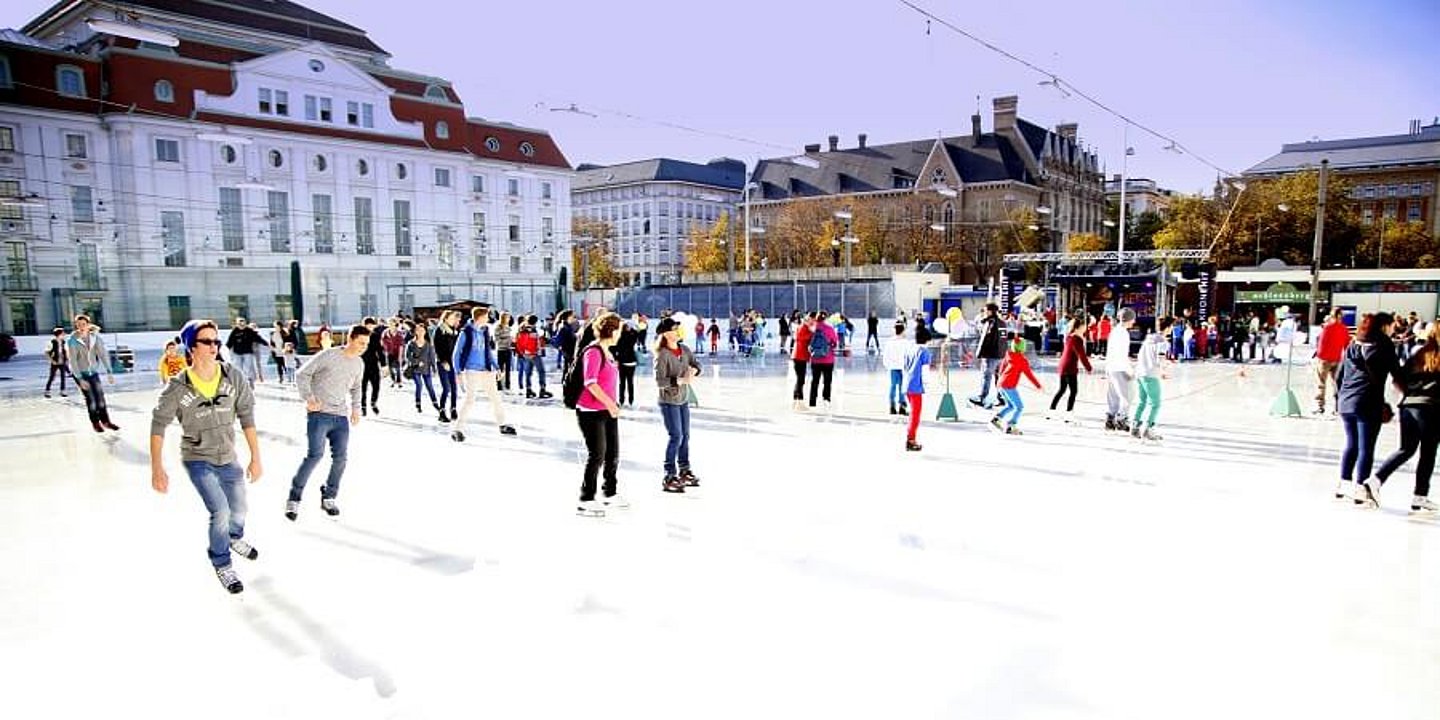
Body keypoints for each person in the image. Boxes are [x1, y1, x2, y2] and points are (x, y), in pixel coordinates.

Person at [149, 319, 262, 594]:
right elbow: (158, 425)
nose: (214, 347)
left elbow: (247, 416)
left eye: (216, 341)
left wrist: (255, 457)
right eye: (206, 342)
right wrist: (157, 468)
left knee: (239, 509)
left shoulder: (232, 376)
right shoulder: (177, 387)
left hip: (228, 455)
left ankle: (234, 538)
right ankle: (222, 563)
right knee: (220, 511)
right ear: (191, 347)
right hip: (197, 457)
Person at [287, 323, 368, 521]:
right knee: (315, 456)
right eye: (360, 343)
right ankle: (294, 498)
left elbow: (357, 388)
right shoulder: (329, 355)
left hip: (340, 417)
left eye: (366, 344)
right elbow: (302, 374)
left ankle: (329, 496)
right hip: (319, 414)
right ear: (350, 339)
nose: (363, 347)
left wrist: (356, 408)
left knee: (341, 458)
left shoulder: (359, 363)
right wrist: (309, 398)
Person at [1370, 323, 1440, 513]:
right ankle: (1420, 496)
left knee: (1406, 449)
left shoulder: (1418, 354)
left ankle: (1375, 481)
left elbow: (1397, 379)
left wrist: (1409, 394)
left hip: (1408, 406)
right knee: (1428, 452)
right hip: (1431, 409)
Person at [1337, 312, 1402, 506]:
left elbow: (1340, 374)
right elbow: (1397, 374)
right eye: (1391, 326)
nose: (1393, 330)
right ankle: (1360, 488)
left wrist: (1338, 398)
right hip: (1368, 402)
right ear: (1384, 327)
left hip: (1346, 401)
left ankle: (1343, 483)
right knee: (1366, 447)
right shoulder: (1384, 344)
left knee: (1351, 444)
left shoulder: (1353, 344)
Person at [575, 312, 625, 517]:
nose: (620, 334)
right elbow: (590, 383)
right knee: (597, 454)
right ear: (612, 330)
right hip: (591, 410)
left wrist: (613, 404)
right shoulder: (594, 351)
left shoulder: (608, 351)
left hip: (607, 409)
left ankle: (609, 492)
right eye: (619, 330)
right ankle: (586, 498)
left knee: (612, 453)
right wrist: (609, 403)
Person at [452, 306, 517, 441]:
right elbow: (456, 354)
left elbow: (487, 352)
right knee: (469, 400)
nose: (488, 318)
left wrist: (496, 367)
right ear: (480, 317)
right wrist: (458, 372)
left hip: (486, 371)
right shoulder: (466, 333)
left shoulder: (484, 331)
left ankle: (502, 424)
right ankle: (458, 429)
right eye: (486, 316)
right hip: (472, 371)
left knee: (495, 398)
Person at [654, 317, 702, 493]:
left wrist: (694, 370)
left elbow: (697, 364)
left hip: (683, 400)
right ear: (666, 333)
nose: (678, 332)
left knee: (685, 435)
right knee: (676, 436)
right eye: (674, 329)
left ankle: (684, 469)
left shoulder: (684, 350)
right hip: (669, 401)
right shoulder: (663, 354)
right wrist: (680, 380)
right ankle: (669, 475)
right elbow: (660, 381)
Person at [66, 314, 118, 433]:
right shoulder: (72, 340)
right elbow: (72, 361)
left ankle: (106, 421)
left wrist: (109, 372)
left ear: (88, 325)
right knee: (91, 399)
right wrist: (80, 379)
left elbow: (103, 355)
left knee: (100, 398)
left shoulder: (95, 338)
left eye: (83, 324)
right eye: (78, 325)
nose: (81, 327)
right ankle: (95, 423)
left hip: (93, 372)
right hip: (80, 373)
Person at [990, 337, 1043, 435]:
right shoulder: (1022, 360)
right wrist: (1038, 386)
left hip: (1001, 384)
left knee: (1010, 406)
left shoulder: (1008, 355)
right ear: (1023, 348)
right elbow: (1029, 375)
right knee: (1019, 407)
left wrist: (1001, 378)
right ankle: (1011, 426)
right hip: (1008, 386)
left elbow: (1002, 368)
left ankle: (996, 419)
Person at [1132, 316, 1172, 441]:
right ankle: (1148, 428)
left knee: (1142, 401)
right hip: (1151, 374)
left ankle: (1134, 426)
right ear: (1168, 327)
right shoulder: (1163, 342)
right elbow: (1160, 358)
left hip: (1140, 373)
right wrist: (1163, 371)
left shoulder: (1148, 339)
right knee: (1155, 404)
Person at [1049, 312, 1092, 421]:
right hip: (1069, 367)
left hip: (1063, 365)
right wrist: (1088, 368)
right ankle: (1068, 414)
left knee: (1062, 389)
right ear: (1080, 327)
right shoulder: (1076, 339)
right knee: (1073, 391)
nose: (1086, 329)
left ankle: (1051, 410)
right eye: (1085, 327)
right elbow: (1082, 355)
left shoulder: (1070, 336)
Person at [1104, 308, 1137, 433]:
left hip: (1111, 367)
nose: (1134, 321)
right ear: (1129, 319)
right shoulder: (1123, 333)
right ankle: (1122, 419)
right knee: (1127, 396)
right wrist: (1129, 370)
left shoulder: (1115, 331)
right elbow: (1121, 354)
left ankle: (1110, 419)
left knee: (1113, 396)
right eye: (1133, 319)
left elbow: (1110, 351)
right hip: (1120, 368)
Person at [901, 324, 933, 451]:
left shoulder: (910, 349)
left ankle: (911, 438)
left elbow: (905, 366)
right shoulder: (924, 352)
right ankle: (911, 439)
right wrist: (927, 385)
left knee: (913, 413)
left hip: (907, 384)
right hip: (916, 386)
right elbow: (925, 371)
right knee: (915, 414)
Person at [1314, 307, 1351, 415]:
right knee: (1336, 383)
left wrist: (1319, 356)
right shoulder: (1344, 328)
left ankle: (1320, 406)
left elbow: (1322, 343)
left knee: (1321, 383)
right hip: (1337, 359)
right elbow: (1347, 344)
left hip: (1325, 360)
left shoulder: (1327, 328)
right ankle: (1337, 407)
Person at [968, 303, 1005, 409]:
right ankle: (1002, 397)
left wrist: (979, 354)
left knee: (986, 376)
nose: (983, 313)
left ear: (989, 311)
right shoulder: (1002, 323)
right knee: (999, 377)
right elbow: (1004, 340)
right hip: (1000, 355)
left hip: (990, 354)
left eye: (985, 311)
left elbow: (985, 339)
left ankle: (982, 397)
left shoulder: (990, 323)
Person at [404, 324, 439, 414]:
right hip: (415, 369)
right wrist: (416, 362)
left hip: (426, 369)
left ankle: (435, 403)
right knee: (419, 385)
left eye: (422, 330)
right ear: (415, 332)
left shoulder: (428, 344)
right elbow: (407, 357)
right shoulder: (411, 343)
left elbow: (432, 357)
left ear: (425, 332)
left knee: (430, 386)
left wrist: (434, 368)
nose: (420, 332)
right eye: (418, 330)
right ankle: (418, 403)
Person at [432, 310, 460, 422]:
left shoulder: (454, 331)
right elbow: (437, 348)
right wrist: (443, 361)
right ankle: (442, 411)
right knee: (446, 388)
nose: (454, 320)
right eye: (452, 318)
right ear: (446, 318)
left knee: (454, 387)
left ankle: (453, 408)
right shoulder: (439, 330)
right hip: (443, 363)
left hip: (452, 362)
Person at [808, 314, 840, 409]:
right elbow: (835, 343)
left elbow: (808, 343)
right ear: (825, 319)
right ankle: (826, 399)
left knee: (815, 381)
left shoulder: (812, 328)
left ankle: (812, 401)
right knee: (827, 381)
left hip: (815, 359)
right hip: (828, 360)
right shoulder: (830, 329)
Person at [882, 319, 909, 415]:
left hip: (893, 367)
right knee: (902, 387)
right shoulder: (906, 342)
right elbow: (908, 356)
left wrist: (887, 365)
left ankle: (892, 406)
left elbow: (886, 356)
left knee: (893, 386)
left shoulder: (890, 342)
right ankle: (902, 406)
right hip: (902, 367)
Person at [359, 316, 384, 415]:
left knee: (376, 385)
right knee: (362, 387)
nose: (370, 327)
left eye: (371, 325)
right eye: (368, 325)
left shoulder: (375, 336)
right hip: (361, 364)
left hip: (373, 364)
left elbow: (380, 350)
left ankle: (373, 403)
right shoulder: (359, 336)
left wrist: (384, 365)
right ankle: (363, 406)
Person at [614, 319, 640, 407]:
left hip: (623, 361)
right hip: (630, 361)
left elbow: (614, 348)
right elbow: (637, 333)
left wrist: (616, 358)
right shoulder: (632, 335)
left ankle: (623, 400)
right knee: (629, 382)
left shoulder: (619, 336)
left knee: (623, 382)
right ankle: (630, 400)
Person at [43, 327, 69, 398]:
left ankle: (62, 390)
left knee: (63, 377)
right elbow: (46, 352)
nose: (64, 334)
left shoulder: (63, 342)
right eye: (63, 333)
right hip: (55, 362)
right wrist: (52, 361)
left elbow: (65, 351)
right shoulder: (52, 342)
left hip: (62, 361)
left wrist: (66, 359)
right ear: (59, 334)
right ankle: (47, 391)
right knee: (52, 377)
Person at [495, 312, 515, 392]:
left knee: (508, 368)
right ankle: (499, 384)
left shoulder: (508, 327)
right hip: (501, 350)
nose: (509, 319)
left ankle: (507, 384)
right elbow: (497, 339)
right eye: (507, 317)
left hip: (508, 349)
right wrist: (507, 340)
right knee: (500, 368)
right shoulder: (498, 327)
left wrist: (511, 341)